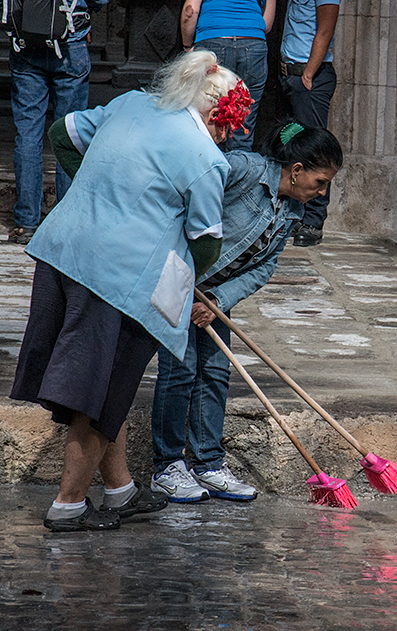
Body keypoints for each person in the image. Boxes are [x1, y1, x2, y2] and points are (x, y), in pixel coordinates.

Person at [9, 50, 252, 532]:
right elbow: (206, 243)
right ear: (214, 114)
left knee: (107, 388)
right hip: (116, 280)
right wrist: (189, 278)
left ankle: (120, 491)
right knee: (98, 394)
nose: (228, 136)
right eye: (229, 125)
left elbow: (63, 133)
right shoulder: (206, 159)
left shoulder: (131, 104)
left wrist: (97, 191)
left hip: (62, 250)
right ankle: (69, 504)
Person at [151, 119, 343, 503]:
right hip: (174, 280)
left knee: (216, 373)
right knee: (180, 372)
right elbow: (185, 196)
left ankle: (208, 463)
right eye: (320, 182)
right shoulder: (243, 169)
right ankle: (167, 466)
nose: (321, 192)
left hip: (213, 299)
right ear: (297, 169)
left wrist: (219, 300)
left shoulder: (290, 211)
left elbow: (263, 267)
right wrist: (182, 279)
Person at [7, 0, 110, 245]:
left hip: (25, 45)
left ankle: (27, 222)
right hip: (70, 43)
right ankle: (67, 219)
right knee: (70, 134)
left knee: (28, 134)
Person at [280, 0, 341, 246]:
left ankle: (314, 221)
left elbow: (326, 29)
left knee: (315, 150)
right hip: (291, 75)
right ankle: (296, 215)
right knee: (293, 147)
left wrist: (308, 74)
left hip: (310, 76)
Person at [180, 0, 277, 150]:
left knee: (206, 112)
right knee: (244, 119)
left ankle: (205, 164)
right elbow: (267, 24)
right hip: (253, 44)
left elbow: (190, 11)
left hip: (212, 40)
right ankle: (239, 167)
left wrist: (187, 46)